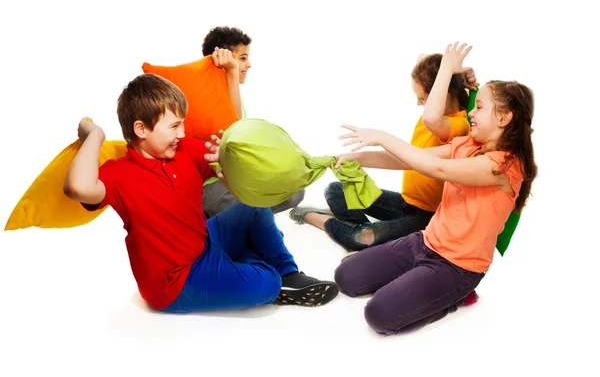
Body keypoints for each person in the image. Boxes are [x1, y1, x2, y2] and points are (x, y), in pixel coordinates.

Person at [63, 73, 339, 313]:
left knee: (252, 207)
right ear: (140, 129)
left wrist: (230, 155)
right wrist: (95, 135)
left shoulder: (183, 151)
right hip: (176, 281)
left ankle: (288, 272)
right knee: (267, 283)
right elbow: (78, 187)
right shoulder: (118, 175)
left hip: (205, 242)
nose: (182, 132)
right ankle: (267, 274)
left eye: (182, 124)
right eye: (174, 126)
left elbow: (228, 163)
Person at [332, 42, 537, 334]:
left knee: (378, 315)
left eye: (479, 107)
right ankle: (418, 281)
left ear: (504, 118)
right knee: (346, 277)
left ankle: (452, 297)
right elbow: (415, 160)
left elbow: (437, 169)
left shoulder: (504, 166)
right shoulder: (467, 144)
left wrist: (380, 135)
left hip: (458, 266)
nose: (471, 113)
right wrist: (358, 158)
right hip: (425, 241)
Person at [290, 51, 477, 251]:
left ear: (442, 96)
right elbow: (423, 60)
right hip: (406, 203)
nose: (418, 104)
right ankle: (359, 231)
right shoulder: (435, 117)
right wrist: (354, 158)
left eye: (422, 99)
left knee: (362, 237)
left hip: (427, 216)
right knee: (335, 189)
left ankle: (320, 219)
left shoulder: (456, 125)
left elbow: (430, 121)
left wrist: (448, 70)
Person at [201, 26, 305, 217]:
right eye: (242, 58)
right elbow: (235, 132)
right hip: (214, 187)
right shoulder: (206, 94)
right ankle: (251, 222)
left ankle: (252, 219)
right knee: (244, 208)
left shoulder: (234, 93)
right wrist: (231, 72)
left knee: (295, 191)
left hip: (236, 180)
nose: (248, 64)